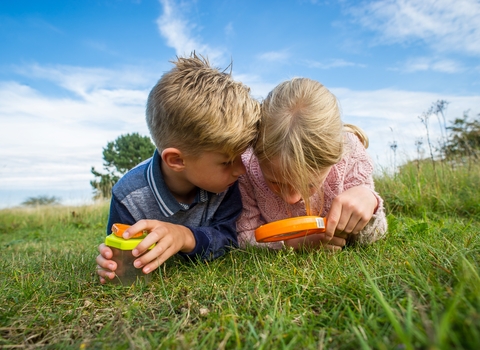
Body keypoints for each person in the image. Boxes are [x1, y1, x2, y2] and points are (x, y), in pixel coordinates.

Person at [96, 53, 260, 283]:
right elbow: (121, 250)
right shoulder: (128, 196)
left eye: (241, 156)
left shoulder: (227, 184)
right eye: (226, 161)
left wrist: (185, 237)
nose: (241, 170)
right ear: (176, 160)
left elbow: (229, 240)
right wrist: (112, 262)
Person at [236, 77, 387, 251]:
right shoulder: (246, 166)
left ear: (335, 158)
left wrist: (368, 201)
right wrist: (291, 244)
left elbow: (374, 234)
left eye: (309, 185)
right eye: (275, 182)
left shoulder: (350, 156)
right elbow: (243, 237)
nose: (291, 198)